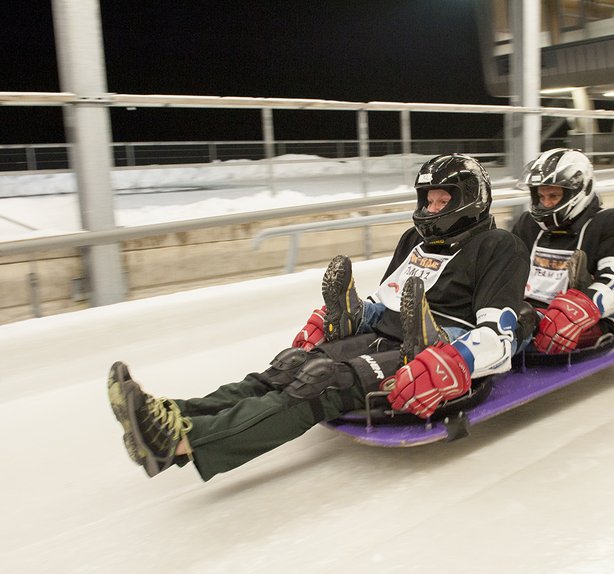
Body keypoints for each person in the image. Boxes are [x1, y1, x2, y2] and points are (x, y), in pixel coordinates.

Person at [107, 153, 530, 481]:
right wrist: (349, 316)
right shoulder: (413, 241)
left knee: (321, 382)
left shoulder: (499, 246)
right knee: (290, 367)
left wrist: (457, 359)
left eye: (444, 200)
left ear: (471, 199)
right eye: (429, 200)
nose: (433, 209)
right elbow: (386, 302)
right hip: (387, 332)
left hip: (432, 349)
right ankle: (172, 412)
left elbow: (501, 333)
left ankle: (180, 443)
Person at [510, 147, 614, 354]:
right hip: (529, 309)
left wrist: (583, 304)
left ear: (579, 191)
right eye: (541, 196)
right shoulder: (528, 224)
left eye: (554, 196)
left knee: (529, 326)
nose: (546, 203)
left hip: (580, 317)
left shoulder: (613, 222)